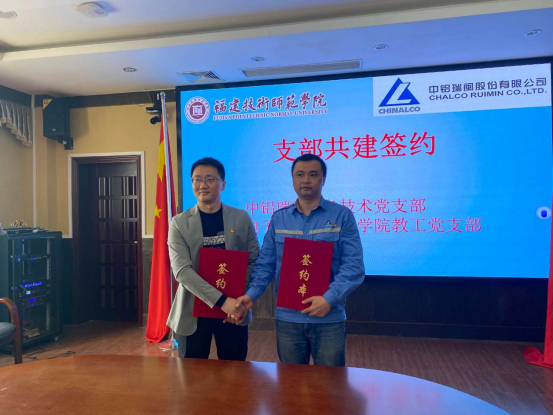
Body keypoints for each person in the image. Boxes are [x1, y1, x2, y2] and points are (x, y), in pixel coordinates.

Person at [232, 153, 365, 366]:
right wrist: (251, 295)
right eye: (300, 175)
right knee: (291, 382)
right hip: (288, 319)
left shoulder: (342, 216)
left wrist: (328, 299)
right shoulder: (279, 218)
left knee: (330, 382)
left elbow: (353, 266)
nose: (306, 180)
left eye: (313, 175)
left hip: (328, 317)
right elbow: (266, 264)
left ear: (323, 179)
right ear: (293, 179)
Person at [166, 157, 259, 360]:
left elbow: (253, 261)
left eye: (210, 179)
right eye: (197, 179)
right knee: (192, 375)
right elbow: (182, 271)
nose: (202, 185)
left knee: (234, 371)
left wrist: (237, 301)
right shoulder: (179, 223)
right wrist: (222, 301)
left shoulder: (241, 218)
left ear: (223, 184)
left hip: (233, 311)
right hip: (193, 311)